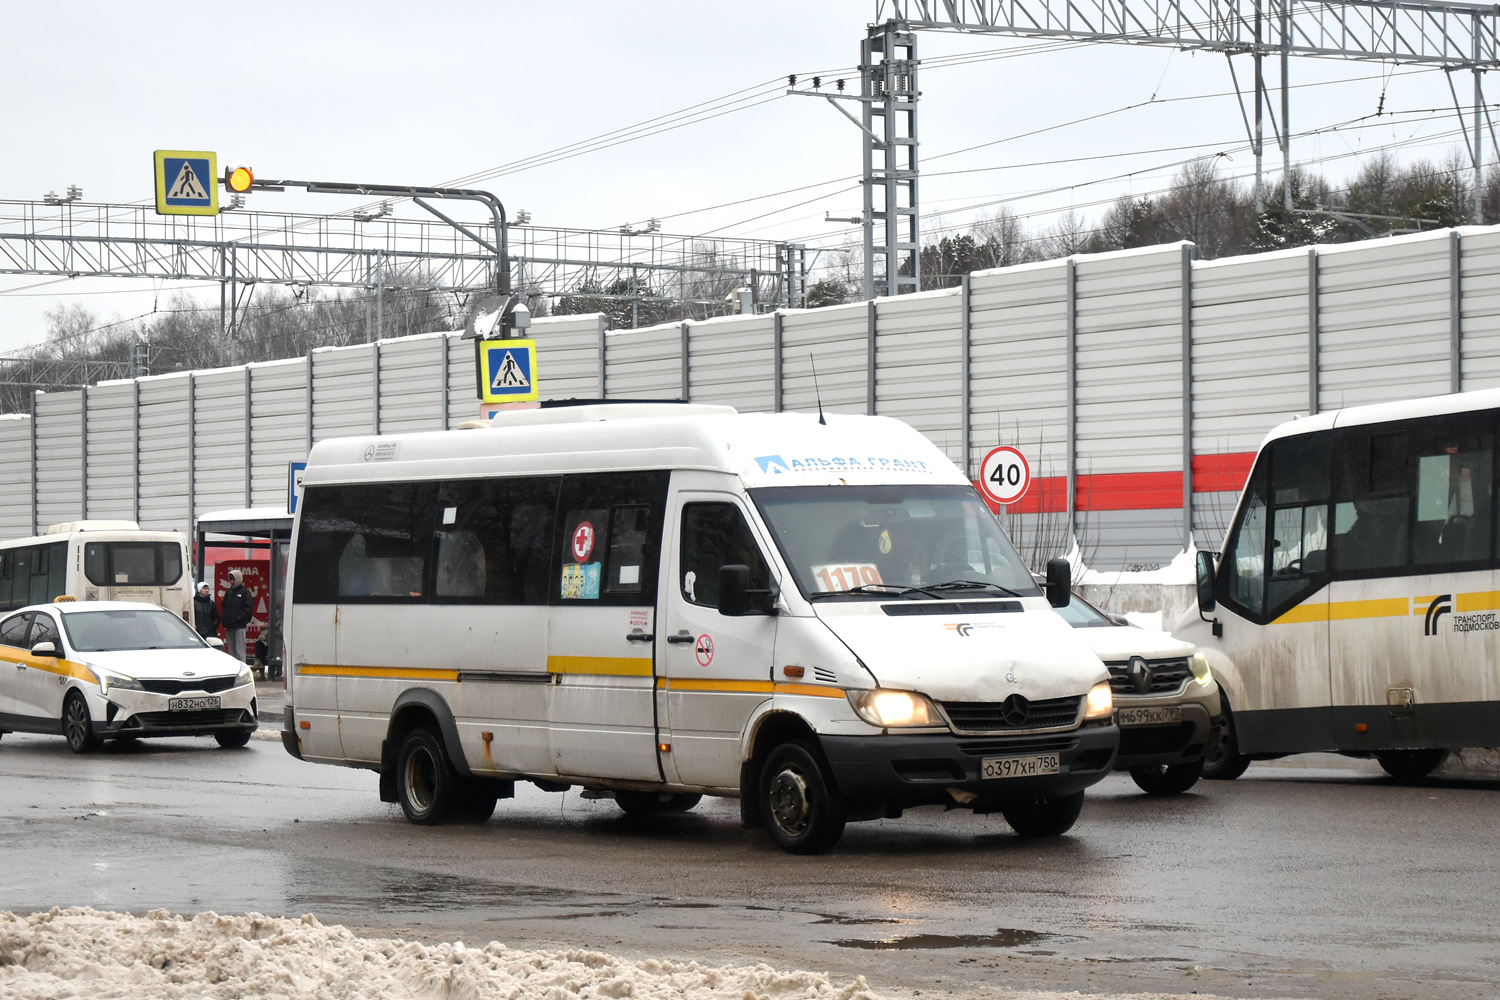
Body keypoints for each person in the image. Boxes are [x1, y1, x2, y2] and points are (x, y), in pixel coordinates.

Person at [220, 570, 255, 666]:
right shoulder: (228, 593)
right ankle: (233, 668)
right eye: (230, 579)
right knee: (231, 651)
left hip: (239, 626)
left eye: (233, 579)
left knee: (240, 650)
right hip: (229, 626)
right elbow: (224, 607)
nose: (232, 582)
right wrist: (225, 619)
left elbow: (248, 609)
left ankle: (242, 668)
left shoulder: (245, 593)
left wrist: (239, 618)